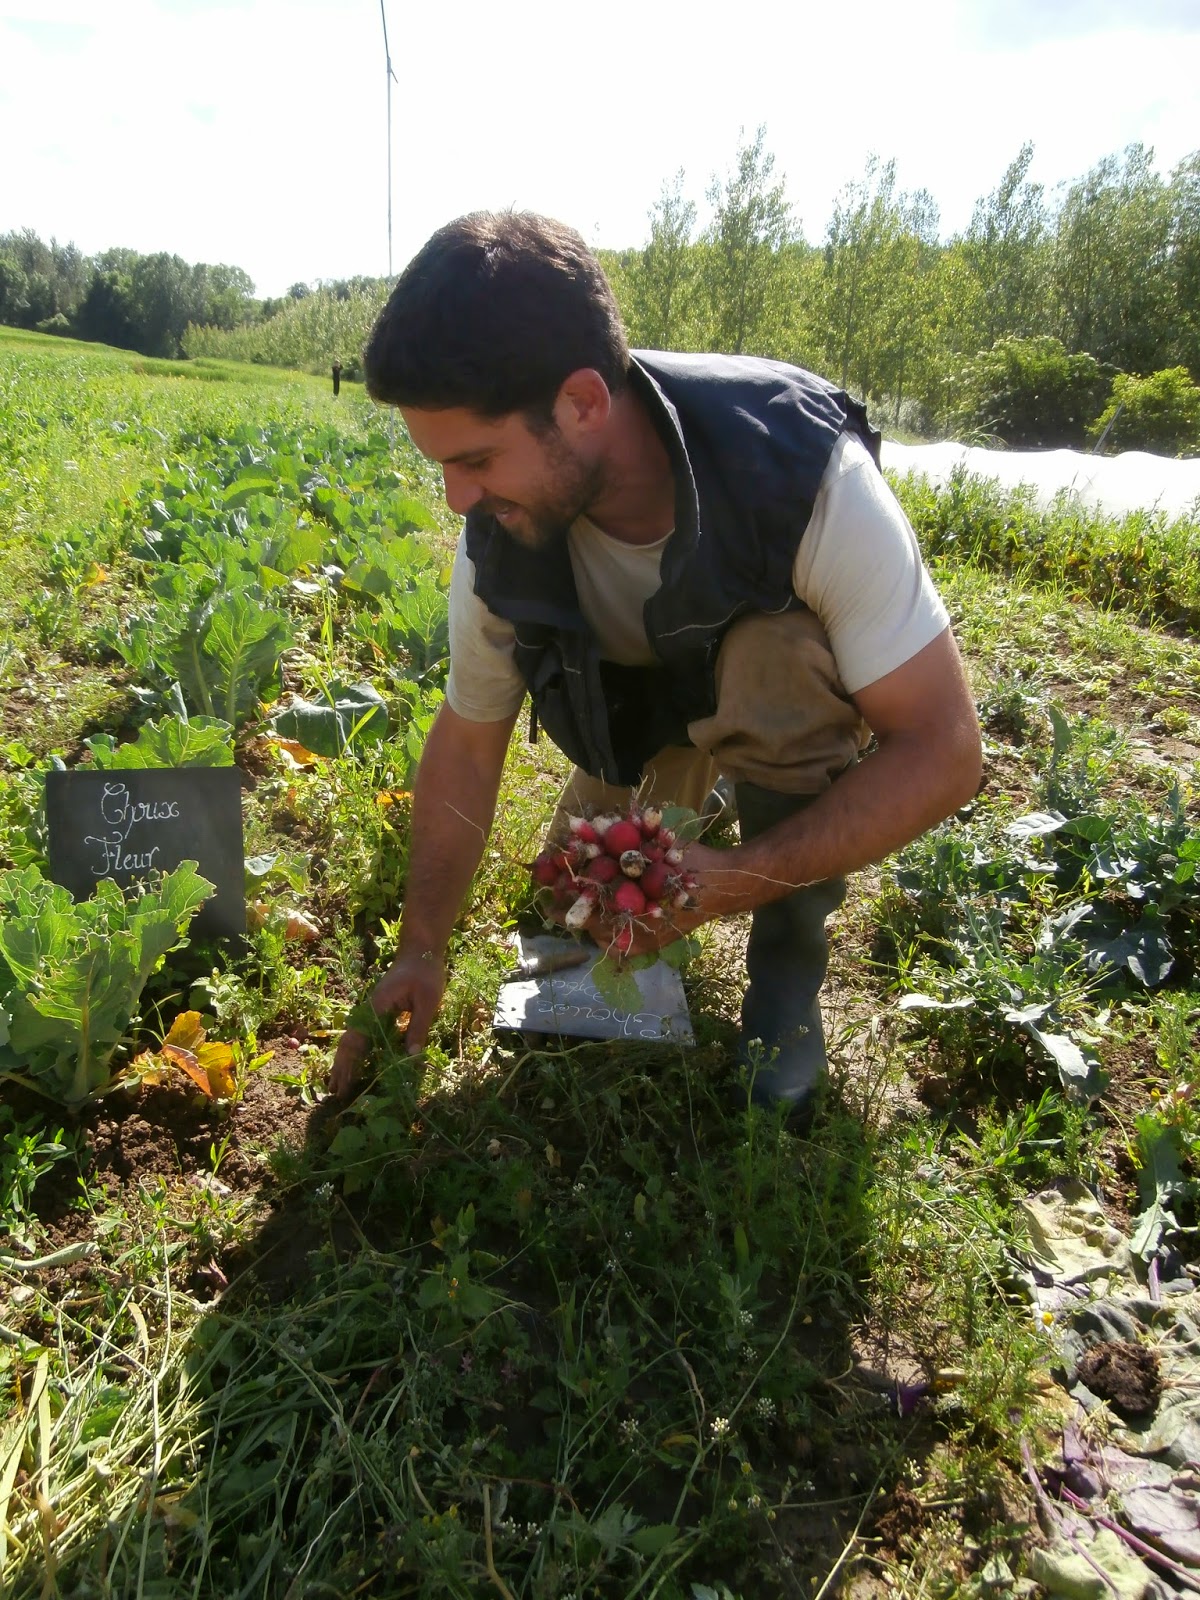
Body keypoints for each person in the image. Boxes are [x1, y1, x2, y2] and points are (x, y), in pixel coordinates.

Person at [330, 211, 981, 1111]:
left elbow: (946, 752)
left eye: (476, 458)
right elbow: (469, 740)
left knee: (773, 654)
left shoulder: (805, 477)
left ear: (585, 403)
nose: (455, 500)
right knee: (578, 903)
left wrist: (742, 881)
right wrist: (421, 948)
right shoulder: (498, 533)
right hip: (631, 718)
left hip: (759, 690)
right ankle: (679, 793)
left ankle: (787, 973)